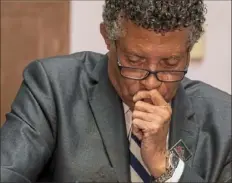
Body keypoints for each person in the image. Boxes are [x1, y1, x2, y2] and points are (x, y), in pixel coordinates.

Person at [1, 0, 231, 182]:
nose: (151, 83)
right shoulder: (54, 89)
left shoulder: (223, 120)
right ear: (108, 39)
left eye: (170, 64)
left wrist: (167, 168)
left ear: (188, 51)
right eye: (134, 60)